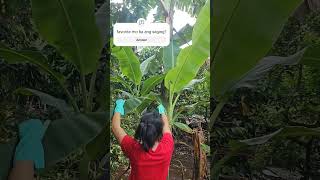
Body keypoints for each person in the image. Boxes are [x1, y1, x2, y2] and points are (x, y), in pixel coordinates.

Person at [111, 99, 174, 180]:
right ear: (159, 132)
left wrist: (118, 107)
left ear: (141, 130)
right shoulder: (167, 146)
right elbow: (166, 127)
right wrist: (162, 112)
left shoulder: (133, 148)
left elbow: (115, 127)